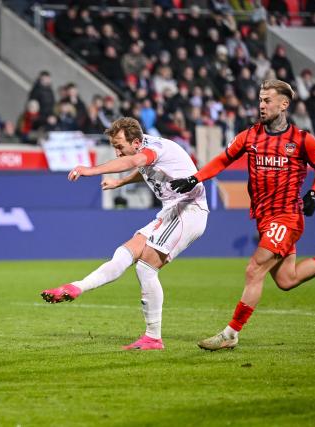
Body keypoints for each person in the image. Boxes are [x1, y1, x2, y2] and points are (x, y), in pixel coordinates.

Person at [169, 79, 315, 351]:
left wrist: (313, 194)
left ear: (284, 104)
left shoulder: (302, 140)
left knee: (254, 269)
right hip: (265, 218)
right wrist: (195, 179)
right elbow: (222, 160)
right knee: (287, 280)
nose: (261, 105)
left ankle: (230, 334)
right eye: (260, 100)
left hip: (287, 216)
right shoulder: (250, 136)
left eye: (267, 101)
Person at [41, 117, 210, 351]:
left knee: (145, 267)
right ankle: (76, 287)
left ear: (137, 142)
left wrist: (90, 170)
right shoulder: (146, 151)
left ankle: (153, 337)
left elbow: (137, 161)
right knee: (124, 252)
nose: (118, 152)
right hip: (172, 211)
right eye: (114, 147)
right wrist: (120, 183)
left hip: (189, 210)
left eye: (120, 146)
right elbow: (144, 169)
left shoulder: (152, 149)